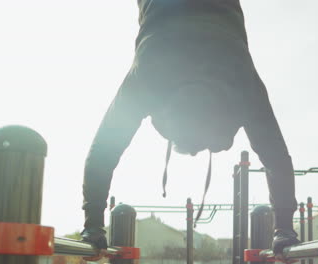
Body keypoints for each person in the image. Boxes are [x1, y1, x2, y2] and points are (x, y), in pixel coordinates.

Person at [81, 0, 299, 258]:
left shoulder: (238, 82)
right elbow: (277, 160)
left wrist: (93, 223)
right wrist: (283, 228)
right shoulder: (154, 74)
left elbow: (103, 153)